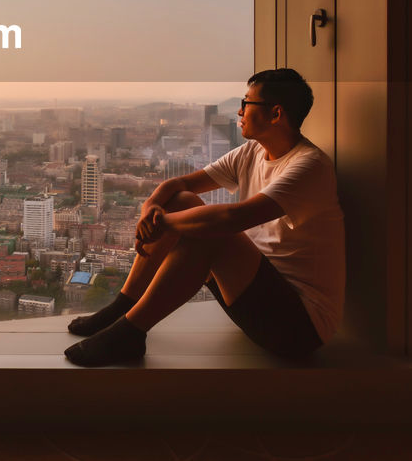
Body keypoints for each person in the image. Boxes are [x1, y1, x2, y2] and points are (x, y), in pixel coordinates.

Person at [64, 68, 345, 366]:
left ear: (275, 114)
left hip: (298, 326)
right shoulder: (251, 152)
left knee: (210, 232)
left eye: (247, 103)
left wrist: (164, 225)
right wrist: (151, 208)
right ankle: (123, 306)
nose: (240, 110)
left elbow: (232, 220)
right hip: (253, 295)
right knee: (179, 201)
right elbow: (179, 186)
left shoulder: (310, 166)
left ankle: (130, 332)